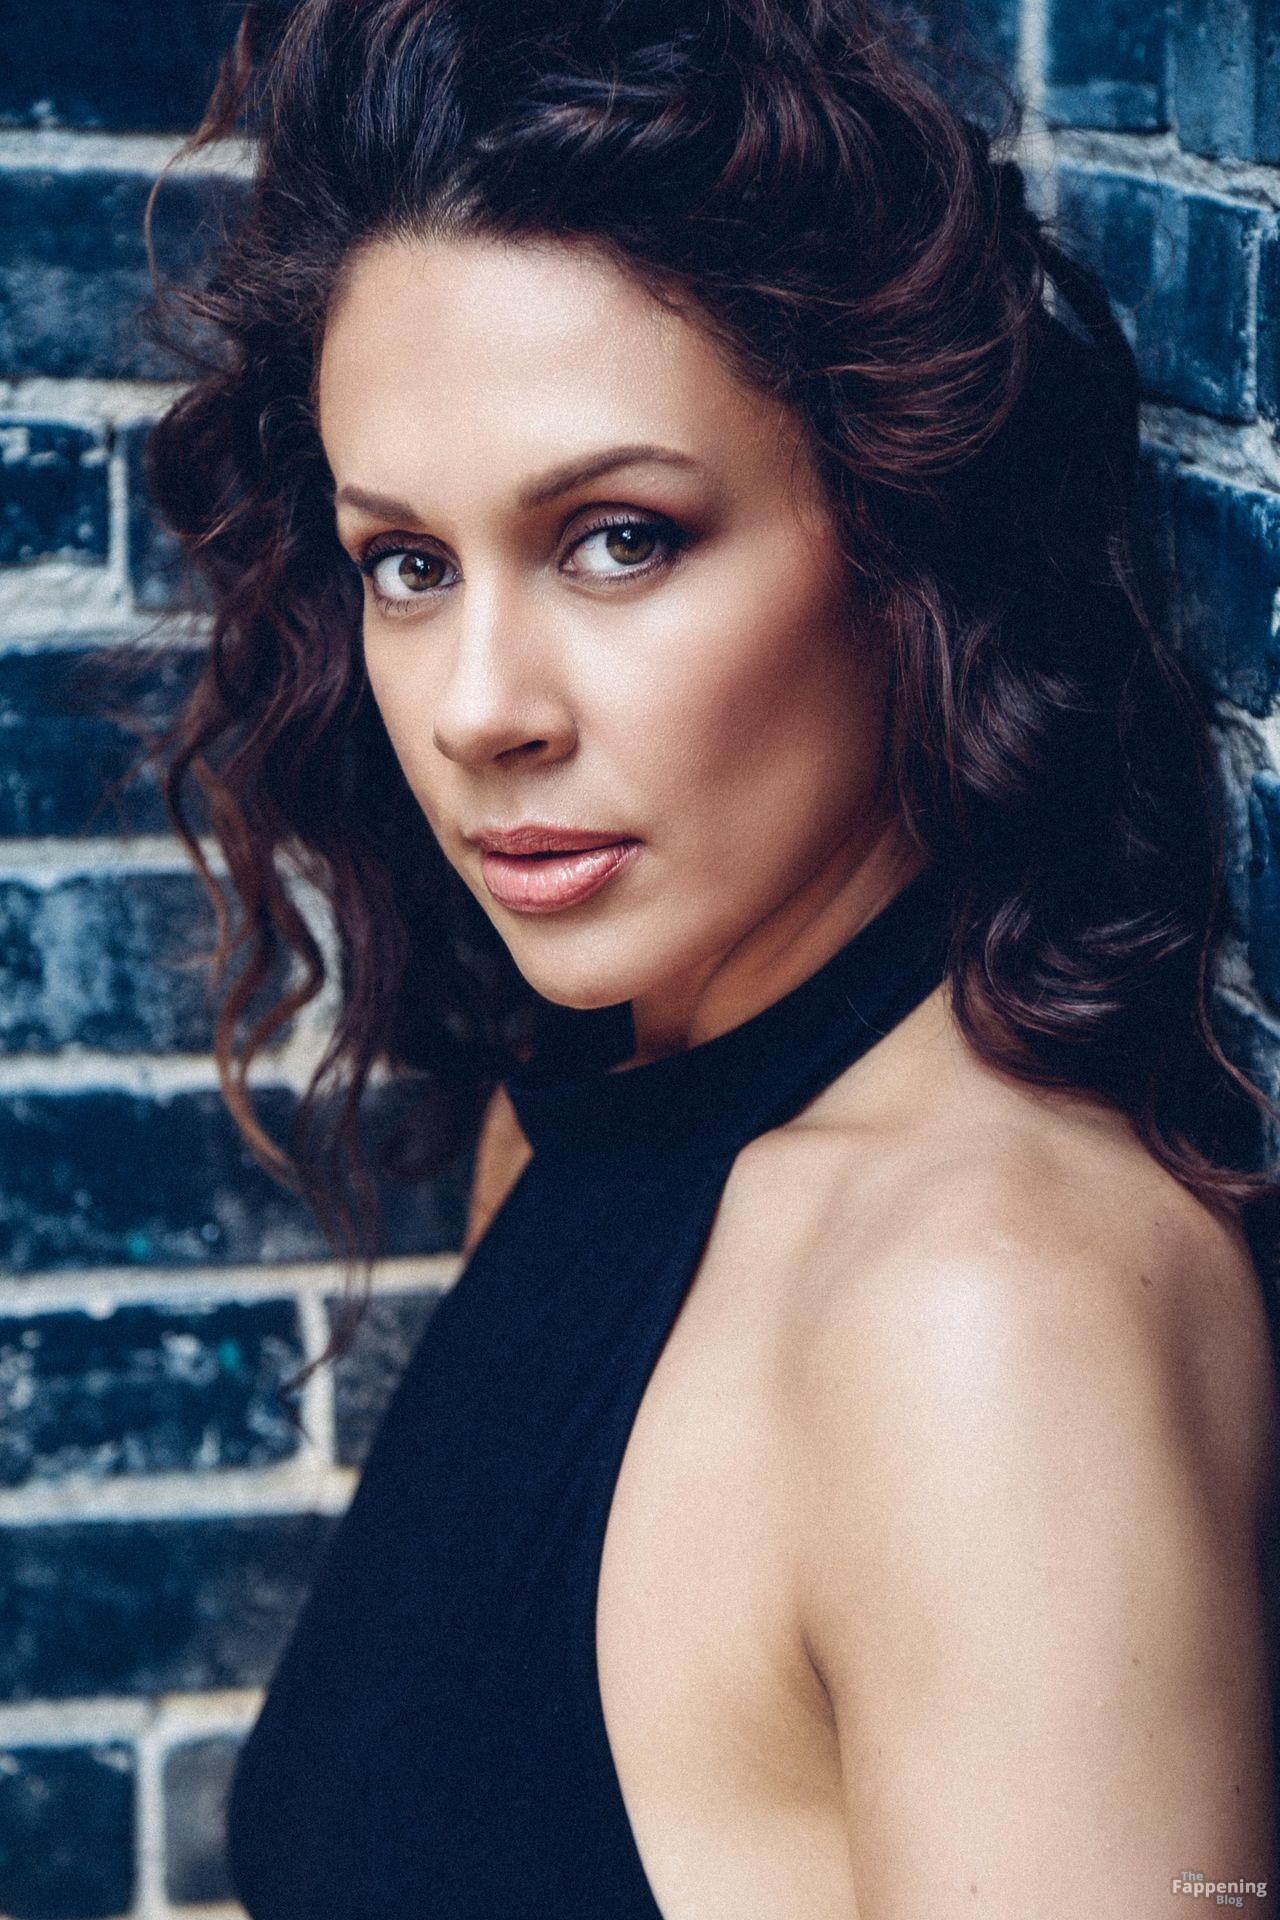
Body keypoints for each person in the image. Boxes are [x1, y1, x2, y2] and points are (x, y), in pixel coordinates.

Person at [138, 0, 1280, 1911]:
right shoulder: (580, 1110)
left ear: (896, 531)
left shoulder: (983, 1326)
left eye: (619, 540)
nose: (479, 709)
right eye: (409, 563)